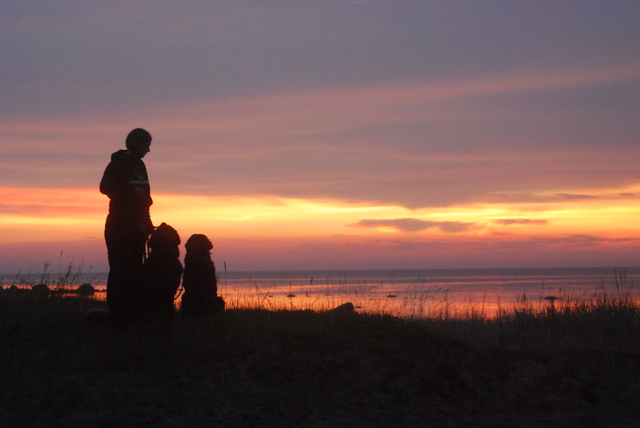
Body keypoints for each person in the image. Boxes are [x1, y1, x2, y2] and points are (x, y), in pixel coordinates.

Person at [100, 128, 154, 324]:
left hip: (138, 226)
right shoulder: (117, 163)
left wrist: (147, 222)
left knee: (135, 271)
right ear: (136, 144)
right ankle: (117, 315)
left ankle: (132, 314)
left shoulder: (141, 166)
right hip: (119, 224)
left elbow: (146, 197)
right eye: (146, 145)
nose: (148, 150)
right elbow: (105, 187)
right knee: (119, 271)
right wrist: (131, 193)